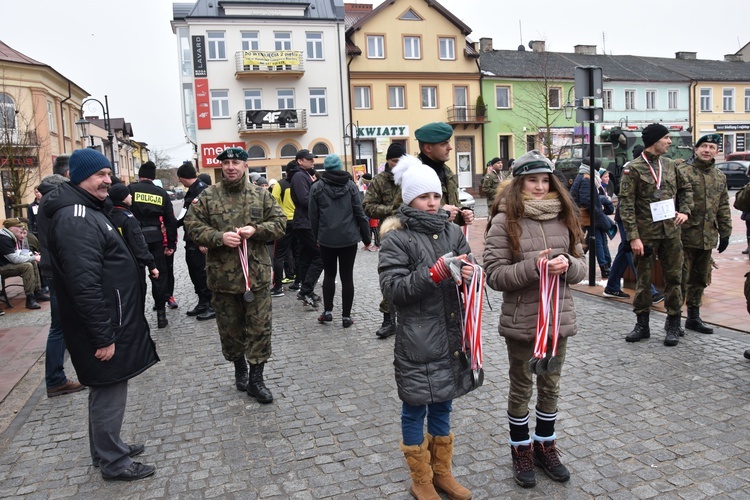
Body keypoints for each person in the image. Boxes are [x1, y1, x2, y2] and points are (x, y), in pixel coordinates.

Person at [43, 148, 159, 481]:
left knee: (104, 387)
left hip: (111, 317)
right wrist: (103, 335)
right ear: (77, 177)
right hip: (106, 323)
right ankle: (115, 463)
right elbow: (84, 284)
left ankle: (106, 449)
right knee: (109, 387)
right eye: (99, 175)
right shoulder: (76, 217)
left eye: (109, 174)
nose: (107, 181)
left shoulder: (86, 209)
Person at [483, 150, 586, 488]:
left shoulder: (565, 216)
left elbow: (581, 266)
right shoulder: (504, 220)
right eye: (532, 180)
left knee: (551, 384)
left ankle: (545, 445)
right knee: (523, 385)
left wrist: (568, 265)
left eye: (544, 180)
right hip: (523, 320)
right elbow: (495, 275)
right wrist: (535, 267)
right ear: (519, 183)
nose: (540, 187)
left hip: (558, 318)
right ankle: (521, 449)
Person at [378, 154, 477, 500]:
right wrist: (433, 274)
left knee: (444, 404)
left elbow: (470, 266)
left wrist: (468, 273)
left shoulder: (452, 232)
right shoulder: (396, 239)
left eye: (435, 196)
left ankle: (442, 473)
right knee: (414, 407)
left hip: (451, 336)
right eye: (424, 197)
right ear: (409, 199)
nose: (432, 203)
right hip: (418, 339)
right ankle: (420, 478)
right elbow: (393, 291)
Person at [184, 147, 286, 404]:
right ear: (221, 167)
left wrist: (257, 229)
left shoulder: (259, 195)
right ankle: (239, 369)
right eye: (226, 163)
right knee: (230, 331)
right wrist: (218, 237)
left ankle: (256, 379)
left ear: (244, 166)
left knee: (260, 329)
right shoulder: (208, 196)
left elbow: (281, 223)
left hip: (257, 277)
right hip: (223, 279)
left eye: (235, 163)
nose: (230, 167)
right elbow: (192, 226)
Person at [619, 123, 693, 346]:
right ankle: (642, 324)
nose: (670, 142)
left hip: (671, 232)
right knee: (644, 280)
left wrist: (686, 211)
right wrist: (633, 236)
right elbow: (626, 204)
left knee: (674, 279)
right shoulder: (633, 168)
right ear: (654, 140)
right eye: (667, 138)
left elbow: (687, 189)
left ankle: (673, 323)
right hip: (646, 235)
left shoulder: (670, 165)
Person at [35, 174, 85, 397]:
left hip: (50, 268)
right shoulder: (55, 201)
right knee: (60, 327)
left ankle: (58, 377)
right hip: (58, 270)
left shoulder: (45, 200)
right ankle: (55, 379)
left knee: (63, 326)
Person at [678, 134, 732, 334]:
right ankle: (674, 320)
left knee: (700, 278)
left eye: (712, 147)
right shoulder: (682, 171)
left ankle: (693, 317)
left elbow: (723, 206)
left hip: (707, 237)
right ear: (696, 149)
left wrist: (725, 232)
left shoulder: (719, 176)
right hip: (683, 236)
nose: (707, 150)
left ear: (717, 152)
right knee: (679, 280)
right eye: (704, 146)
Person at [309, 154, 370, 328]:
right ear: (340, 166)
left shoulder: (317, 187)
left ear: (326, 168)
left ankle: (328, 312)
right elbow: (360, 213)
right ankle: (346, 317)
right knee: (347, 277)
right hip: (349, 239)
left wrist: (316, 237)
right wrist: (366, 238)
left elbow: (313, 216)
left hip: (327, 238)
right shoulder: (351, 186)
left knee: (329, 275)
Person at [392, 122, 474, 227]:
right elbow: (397, 215)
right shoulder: (412, 174)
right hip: (420, 240)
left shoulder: (447, 172)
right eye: (444, 144)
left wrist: (463, 213)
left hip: (447, 239)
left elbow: (452, 210)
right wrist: (440, 213)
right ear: (428, 148)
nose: (450, 147)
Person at [129, 161, 178, 328]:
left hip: (134, 239)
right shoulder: (161, 193)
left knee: (136, 277)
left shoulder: (130, 190)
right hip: (156, 238)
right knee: (159, 276)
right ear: (153, 177)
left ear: (140, 175)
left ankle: (137, 316)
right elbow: (170, 221)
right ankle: (161, 314)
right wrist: (171, 244)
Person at [363, 143, 405, 338]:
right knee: (389, 278)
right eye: (395, 161)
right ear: (388, 160)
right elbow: (368, 207)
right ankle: (388, 320)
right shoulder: (379, 181)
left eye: (401, 161)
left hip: (412, 233)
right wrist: (391, 211)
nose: (398, 165)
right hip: (389, 236)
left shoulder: (410, 177)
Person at [175, 162, 215, 320]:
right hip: (191, 238)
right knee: (195, 272)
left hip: (200, 240)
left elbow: (209, 218)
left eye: (180, 178)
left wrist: (204, 241)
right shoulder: (192, 191)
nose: (180, 182)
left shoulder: (203, 190)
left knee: (204, 273)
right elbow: (185, 215)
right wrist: (172, 224)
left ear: (183, 178)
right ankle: (203, 302)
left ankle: (212, 305)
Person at [289, 149, 324, 307]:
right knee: (320, 256)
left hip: (305, 222)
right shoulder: (299, 176)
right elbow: (305, 200)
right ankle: (306, 290)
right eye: (309, 159)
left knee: (305, 257)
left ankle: (306, 291)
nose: (313, 161)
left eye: (312, 159)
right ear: (300, 161)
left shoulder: (304, 175)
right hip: (305, 223)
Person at [107, 184, 159, 287]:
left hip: (115, 265)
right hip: (132, 265)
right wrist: (152, 265)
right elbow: (139, 245)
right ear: (122, 198)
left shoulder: (108, 216)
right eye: (128, 194)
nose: (131, 196)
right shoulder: (129, 219)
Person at [570, 160, 613, 278]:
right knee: (597, 240)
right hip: (588, 216)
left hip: (586, 215)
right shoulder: (586, 178)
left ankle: (605, 265)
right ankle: (604, 266)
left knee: (591, 240)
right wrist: (598, 212)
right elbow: (587, 200)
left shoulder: (583, 176)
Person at [0, 218, 49, 309]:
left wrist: (32, 255)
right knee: (27, 266)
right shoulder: (4, 239)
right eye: (18, 227)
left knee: (32, 262)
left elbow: (19, 253)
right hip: (2, 267)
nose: (21, 229)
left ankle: (37, 292)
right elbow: (14, 259)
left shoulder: (10, 236)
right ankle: (30, 299)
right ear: (11, 228)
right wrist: (34, 257)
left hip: (7, 264)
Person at [271, 162, 298, 297]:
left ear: (286, 172)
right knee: (298, 253)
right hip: (299, 222)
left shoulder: (279, 184)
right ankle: (298, 283)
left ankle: (278, 287)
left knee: (278, 255)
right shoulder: (301, 183)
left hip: (284, 222)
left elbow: (272, 203)